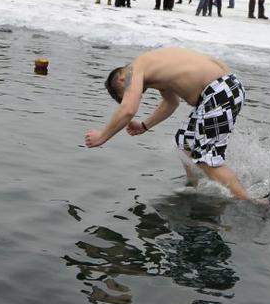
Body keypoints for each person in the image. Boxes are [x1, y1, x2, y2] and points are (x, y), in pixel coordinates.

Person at [85, 47, 258, 202]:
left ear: (122, 81)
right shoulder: (155, 70)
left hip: (219, 92)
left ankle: (250, 202)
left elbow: (128, 109)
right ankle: (195, 186)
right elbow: (171, 103)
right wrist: (144, 126)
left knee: (206, 159)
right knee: (184, 142)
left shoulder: (132, 71)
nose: (137, 94)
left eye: (126, 94)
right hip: (225, 89)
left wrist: (102, 136)